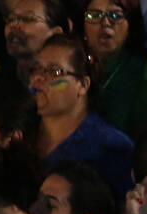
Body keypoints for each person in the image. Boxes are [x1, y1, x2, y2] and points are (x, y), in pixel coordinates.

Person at [27, 34, 134, 196]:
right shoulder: (20, 133)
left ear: (83, 85)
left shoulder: (110, 146)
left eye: (54, 71)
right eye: (35, 69)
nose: (38, 77)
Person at [76, 0, 147, 136]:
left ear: (131, 24)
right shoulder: (72, 65)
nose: (105, 22)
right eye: (94, 15)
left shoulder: (145, 71)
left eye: (115, 15)